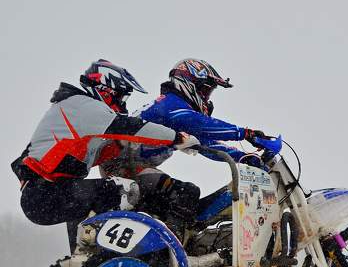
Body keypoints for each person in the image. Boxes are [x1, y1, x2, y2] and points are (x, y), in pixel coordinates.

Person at [11, 59, 199, 242]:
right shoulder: (83, 105)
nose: (123, 104)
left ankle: (81, 255)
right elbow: (129, 127)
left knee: (95, 196)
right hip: (46, 194)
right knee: (125, 189)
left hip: (48, 194)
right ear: (107, 90)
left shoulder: (71, 108)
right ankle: (121, 248)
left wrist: (153, 146)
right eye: (122, 97)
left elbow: (102, 151)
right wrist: (176, 138)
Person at [139, 58, 273, 168]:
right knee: (182, 191)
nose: (206, 99)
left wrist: (245, 158)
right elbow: (200, 124)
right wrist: (245, 133)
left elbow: (208, 144)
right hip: (127, 156)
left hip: (135, 168)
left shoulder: (179, 115)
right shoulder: (170, 103)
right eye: (205, 91)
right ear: (189, 83)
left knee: (188, 191)